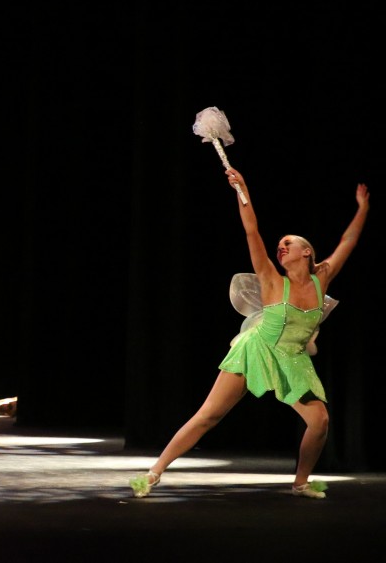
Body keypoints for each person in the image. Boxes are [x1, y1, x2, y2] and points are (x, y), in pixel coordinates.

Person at [130, 168, 370, 500]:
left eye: (288, 243)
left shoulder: (322, 278)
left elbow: (349, 241)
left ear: (307, 252)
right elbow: (251, 229)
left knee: (320, 421)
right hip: (257, 349)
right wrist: (241, 189)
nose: (281, 247)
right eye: (279, 246)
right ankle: (153, 472)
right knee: (209, 415)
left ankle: (301, 482)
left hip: (292, 358)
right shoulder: (272, 279)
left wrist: (362, 208)